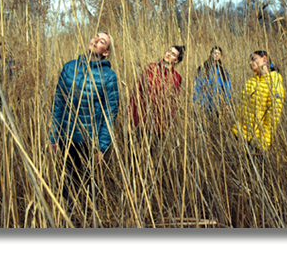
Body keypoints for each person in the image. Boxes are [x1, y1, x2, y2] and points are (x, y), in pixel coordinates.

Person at [49, 32, 119, 203]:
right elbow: (58, 103)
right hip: (67, 137)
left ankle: (89, 218)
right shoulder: (69, 67)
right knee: (66, 184)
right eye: (96, 36)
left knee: (89, 186)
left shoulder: (109, 76)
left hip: (90, 140)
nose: (96, 40)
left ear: (106, 52)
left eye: (102, 41)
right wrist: (53, 136)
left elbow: (110, 114)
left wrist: (102, 147)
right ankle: (66, 219)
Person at [232, 50, 284, 153]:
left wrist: (263, 142)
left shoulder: (274, 83)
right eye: (250, 60)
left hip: (257, 141)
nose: (250, 63)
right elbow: (241, 108)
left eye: (253, 59)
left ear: (264, 59)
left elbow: (273, 117)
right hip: (242, 137)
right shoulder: (250, 82)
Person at [128, 45, 185, 138]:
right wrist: (130, 113)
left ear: (176, 60)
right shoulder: (151, 67)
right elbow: (137, 91)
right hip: (141, 117)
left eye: (173, 54)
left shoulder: (176, 78)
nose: (169, 54)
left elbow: (173, 102)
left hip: (158, 122)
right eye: (169, 50)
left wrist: (169, 124)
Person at [193, 46, 232, 114]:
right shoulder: (203, 68)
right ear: (211, 54)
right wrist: (196, 100)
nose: (217, 55)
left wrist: (227, 103)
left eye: (219, 54)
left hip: (217, 104)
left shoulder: (223, 71)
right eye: (215, 53)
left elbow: (227, 88)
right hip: (203, 104)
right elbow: (197, 85)